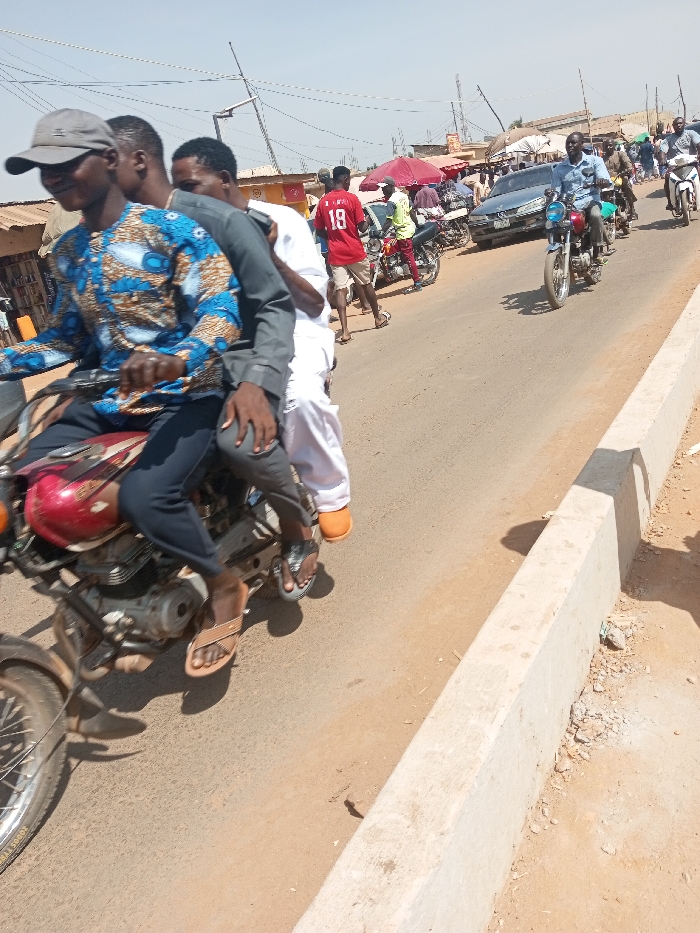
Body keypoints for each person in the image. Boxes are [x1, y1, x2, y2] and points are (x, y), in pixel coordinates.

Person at [3, 109, 245, 677]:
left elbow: (222, 308)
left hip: (187, 396)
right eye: (43, 169)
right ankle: (100, 592)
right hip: (108, 402)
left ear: (109, 160)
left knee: (146, 496)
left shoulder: (173, 231)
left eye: (65, 164)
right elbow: (64, 338)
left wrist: (178, 357)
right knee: (17, 490)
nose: (52, 177)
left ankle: (222, 584)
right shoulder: (67, 253)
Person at [105, 117, 328, 600]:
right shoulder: (126, 234)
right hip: (179, 372)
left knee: (241, 442)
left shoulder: (224, 221)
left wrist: (254, 382)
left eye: (108, 160)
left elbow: (275, 307)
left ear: (138, 162)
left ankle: (296, 527)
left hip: (243, 357)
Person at [168, 135, 354, 550]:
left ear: (224, 179)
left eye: (190, 187)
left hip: (293, 332)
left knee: (301, 398)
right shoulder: (184, 234)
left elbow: (314, 303)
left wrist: (266, 256)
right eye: (177, 190)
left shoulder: (279, 221)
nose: (182, 200)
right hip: (221, 342)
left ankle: (328, 496)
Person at [314, 165, 389, 343]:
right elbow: (362, 227)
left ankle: (345, 331)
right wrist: (367, 220)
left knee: (340, 289)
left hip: (336, 253)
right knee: (366, 283)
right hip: (354, 250)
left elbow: (319, 230)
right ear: (346, 179)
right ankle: (377, 318)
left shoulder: (323, 202)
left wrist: (333, 237)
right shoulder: (351, 199)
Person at [549, 131, 612, 265]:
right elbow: (556, 191)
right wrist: (551, 192)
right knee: (552, 221)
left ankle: (597, 251)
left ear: (582, 144)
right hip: (569, 205)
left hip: (589, 200)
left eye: (573, 143)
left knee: (595, 215)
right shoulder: (559, 169)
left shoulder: (595, 161)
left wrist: (602, 181)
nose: (570, 146)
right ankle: (560, 250)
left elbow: (606, 180)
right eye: (568, 143)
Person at [378, 176, 422, 295]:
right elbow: (411, 212)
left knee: (409, 257)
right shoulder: (403, 196)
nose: (382, 190)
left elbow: (388, 220)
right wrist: (417, 224)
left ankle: (417, 283)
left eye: (384, 187)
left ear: (391, 186)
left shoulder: (391, 201)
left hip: (403, 233)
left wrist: (381, 232)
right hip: (409, 228)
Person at [661, 116, 700, 211]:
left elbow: (698, 144)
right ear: (673, 126)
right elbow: (663, 150)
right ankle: (670, 202)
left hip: (691, 163)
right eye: (676, 124)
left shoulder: (691, 134)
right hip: (675, 166)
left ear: (684, 124)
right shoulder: (668, 139)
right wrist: (662, 159)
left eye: (680, 123)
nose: (678, 125)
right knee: (667, 177)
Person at [602, 138, 638, 220]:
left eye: (610, 145)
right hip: (607, 180)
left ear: (614, 146)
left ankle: (632, 210)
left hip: (620, 177)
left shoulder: (620, 154)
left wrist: (629, 168)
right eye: (606, 146)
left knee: (626, 183)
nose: (608, 147)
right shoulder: (602, 158)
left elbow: (627, 163)